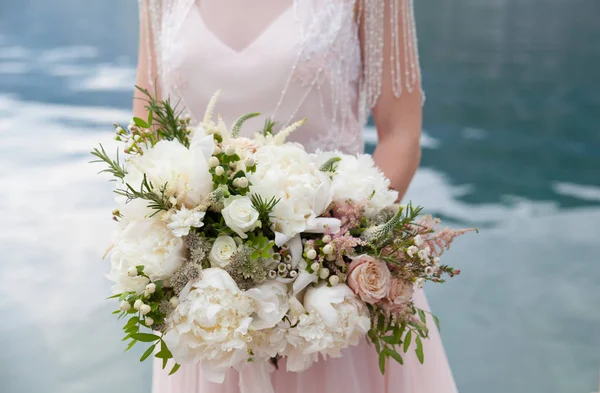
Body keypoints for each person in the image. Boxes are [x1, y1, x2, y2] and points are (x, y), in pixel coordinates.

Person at [134, 0, 458, 392]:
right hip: (206, 311)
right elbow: (149, 133)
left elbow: (401, 135)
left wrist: (335, 253)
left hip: (333, 303)